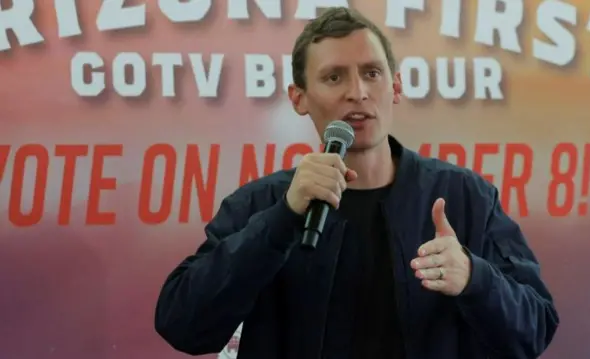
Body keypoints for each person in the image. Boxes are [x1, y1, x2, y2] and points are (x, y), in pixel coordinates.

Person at [154, 6, 559, 359]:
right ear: (299, 98)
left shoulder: (465, 197)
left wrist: (475, 277)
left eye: (372, 73)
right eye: (334, 78)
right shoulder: (260, 204)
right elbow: (183, 325)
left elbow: (535, 330)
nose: (358, 93)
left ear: (395, 86)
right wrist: (281, 221)